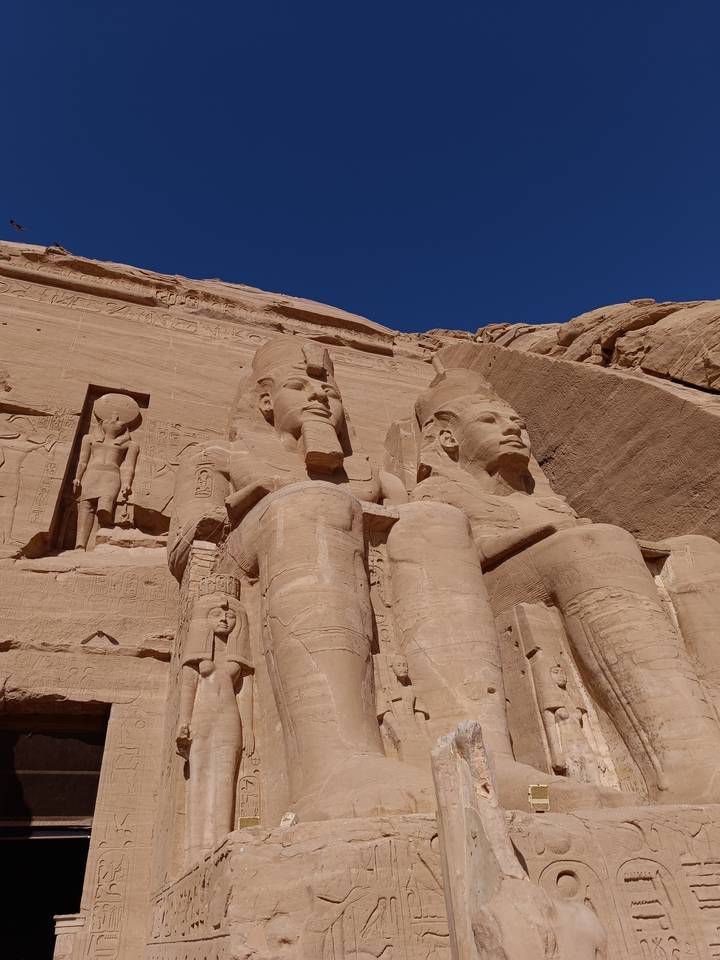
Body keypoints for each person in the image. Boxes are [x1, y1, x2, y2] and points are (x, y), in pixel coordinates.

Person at [404, 363, 720, 804]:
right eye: (491, 421)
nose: (514, 431)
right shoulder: (441, 492)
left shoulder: (542, 499)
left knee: (698, 551)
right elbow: (461, 557)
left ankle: (708, 735)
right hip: (489, 594)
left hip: (565, 563)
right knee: (593, 546)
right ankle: (685, 764)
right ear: (449, 438)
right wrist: (551, 532)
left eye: (519, 424)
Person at [176, 587, 253, 864]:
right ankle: (196, 850)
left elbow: (247, 695)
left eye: (230, 614)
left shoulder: (236, 659)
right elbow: (188, 686)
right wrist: (183, 722)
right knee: (199, 775)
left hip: (229, 716)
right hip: (201, 715)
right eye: (216, 613)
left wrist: (252, 731)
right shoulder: (198, 658)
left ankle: (223, 839)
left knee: (225, 774)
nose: (223, 619)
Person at [72, 393, 140, 550]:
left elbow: (128, 466)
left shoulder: (130, 445)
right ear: (100, 424)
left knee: (105, 510)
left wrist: (126, 484)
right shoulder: (88, 438)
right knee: (85, 507)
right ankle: (80, 544)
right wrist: (77, 477)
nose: (114, 419)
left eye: (118, 420)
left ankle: (100, 545)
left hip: (111, 476)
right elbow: (82, 461)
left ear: (125, 428)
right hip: (91, 473)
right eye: (109, 418)